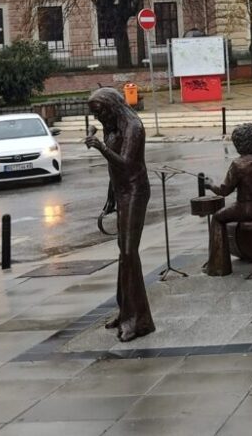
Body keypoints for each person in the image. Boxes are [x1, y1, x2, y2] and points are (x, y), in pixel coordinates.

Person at [86, 87, 155, 342]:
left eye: (100, 112)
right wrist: (111, 196)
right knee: (123, 253)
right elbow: (113, 168)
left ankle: (139, 320)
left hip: (136, 191)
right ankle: (125, 309)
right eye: (95, 115)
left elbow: (126, 163)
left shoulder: (133, 127)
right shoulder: (112, 124)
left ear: (112, 106)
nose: (98, 119)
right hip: (122, 191)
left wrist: (100, 147)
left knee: (129, 252)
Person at [204, 123, 252, 272]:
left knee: (217, 218)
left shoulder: (238, 164)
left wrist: (210, 185)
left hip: (246, 210)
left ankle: (218, 266)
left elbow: (224, 190)